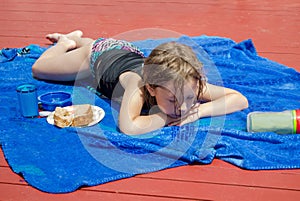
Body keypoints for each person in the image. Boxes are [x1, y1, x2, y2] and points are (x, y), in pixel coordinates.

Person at [32, 30, 249, 135]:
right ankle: (66, 41)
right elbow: (129, 126)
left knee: (97, 44)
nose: (182, 108)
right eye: (173, 100)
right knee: (40, 69)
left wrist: (199, 112)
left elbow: (240, 100)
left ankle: (80, 39)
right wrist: (164, 116)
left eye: (190, 98)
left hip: (125, 51)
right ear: (151, 88)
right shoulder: (137, 85)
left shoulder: (185, 83)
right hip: (96, 57)